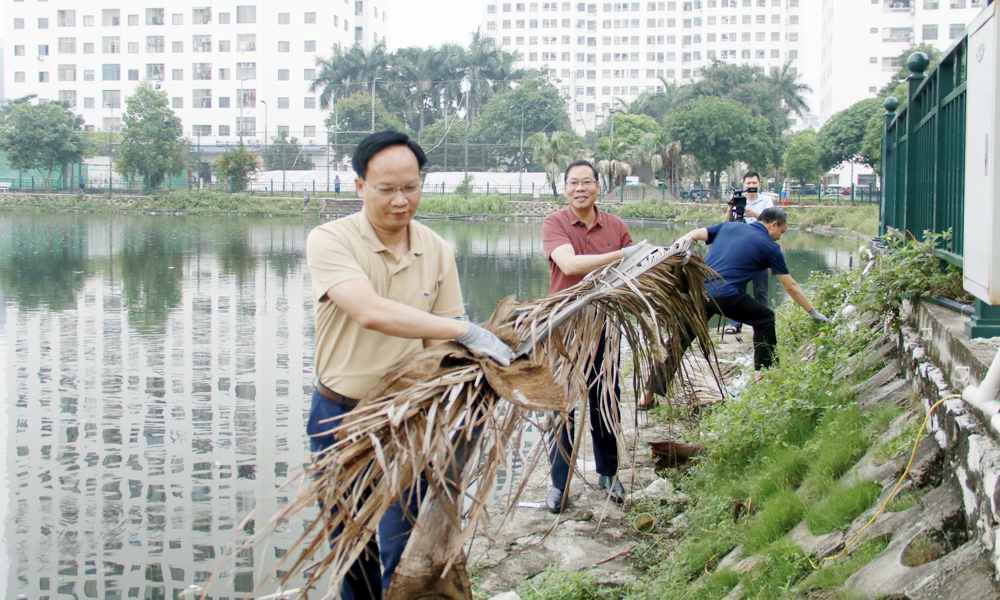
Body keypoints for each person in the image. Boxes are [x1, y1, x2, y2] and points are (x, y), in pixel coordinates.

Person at [305, 131, 515, 600]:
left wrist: (461, 395)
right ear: (359, 186)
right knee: (352, 547)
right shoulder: (330, 239)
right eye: (386, 189)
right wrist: (464, 330)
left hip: (410, 415)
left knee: (409, 545)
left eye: (411, 187)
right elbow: (368, 310)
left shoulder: (436, 248)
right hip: (342, 416)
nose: (401, 201)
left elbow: (434, 341)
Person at [541, 160, 639, 514]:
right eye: (573, 183)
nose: (580, 188)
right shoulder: (554, 223)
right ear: (564, 188)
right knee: (561, 405)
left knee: (605, 400)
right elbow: (569, 265)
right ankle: (559, 483)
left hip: (605, 327)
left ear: (599, 187)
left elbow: (634, 277)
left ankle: (609, 474)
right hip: (565, 329)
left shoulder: (616, 226)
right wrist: (623, 255)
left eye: (587, 182)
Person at [673, 207, 828, 378]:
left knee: (680, 340)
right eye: (781, 232)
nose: (779, 237)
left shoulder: (729, 226)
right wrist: (812, 312)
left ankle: (647, 394)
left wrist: (673, 251)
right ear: (774, 225)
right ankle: (762, 377)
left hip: (699, 292)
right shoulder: (770, 247)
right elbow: (790, 286)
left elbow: (695, 233)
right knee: (765, 318)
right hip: (726, 295)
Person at [724, 171, 775, 335]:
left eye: (754, 183)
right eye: (748, 183)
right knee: (737, 289)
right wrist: (731, 206)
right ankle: (735, 323)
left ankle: (762, 324)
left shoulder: (766, 201)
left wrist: (755, 214)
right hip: (740, 250)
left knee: (761, 290)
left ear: (760, 185)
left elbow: (773, 220)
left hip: (760, 250)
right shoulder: (739, 200)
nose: (751, 186)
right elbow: (726, 223)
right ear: (743, 185)